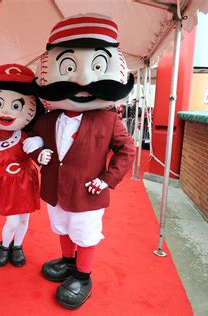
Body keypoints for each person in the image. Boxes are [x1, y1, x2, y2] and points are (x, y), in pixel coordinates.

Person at [25, 14, 135, 309]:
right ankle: (67, 261)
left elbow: (127, 151)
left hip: (88, 192)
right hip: (55, 189)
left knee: (85, 234)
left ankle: (83, 276)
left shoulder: (109, 119)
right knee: (61, 227)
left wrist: (108, 179)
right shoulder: (48, 119)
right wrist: (38, 152)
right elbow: (33, 139)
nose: (83, 81)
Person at [0, 64, 44, 267]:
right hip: (6, 182)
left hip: (27, 179)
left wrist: (38, 142)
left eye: (16, 106)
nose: (6, 111)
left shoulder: (26, 136)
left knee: (24, 220)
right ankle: (4, 245)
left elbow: (44, 145)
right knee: (11, 221)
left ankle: (18, 246)